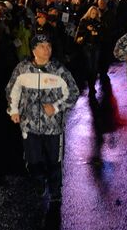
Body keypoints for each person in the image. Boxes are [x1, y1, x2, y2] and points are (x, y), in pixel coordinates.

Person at [6, 33, 79, 202]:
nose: (47, 50)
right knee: (33, 161)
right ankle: (39, 181)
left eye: (49, 46)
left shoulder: (59, 70)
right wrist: (14, 110)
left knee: (55, 160)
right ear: (33, 50)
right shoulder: (22, 69)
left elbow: (73, 93)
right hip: (29, 125)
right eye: (42, 47)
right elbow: (12, 90)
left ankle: (55, 190)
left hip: (53, 126)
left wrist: (55, 107)